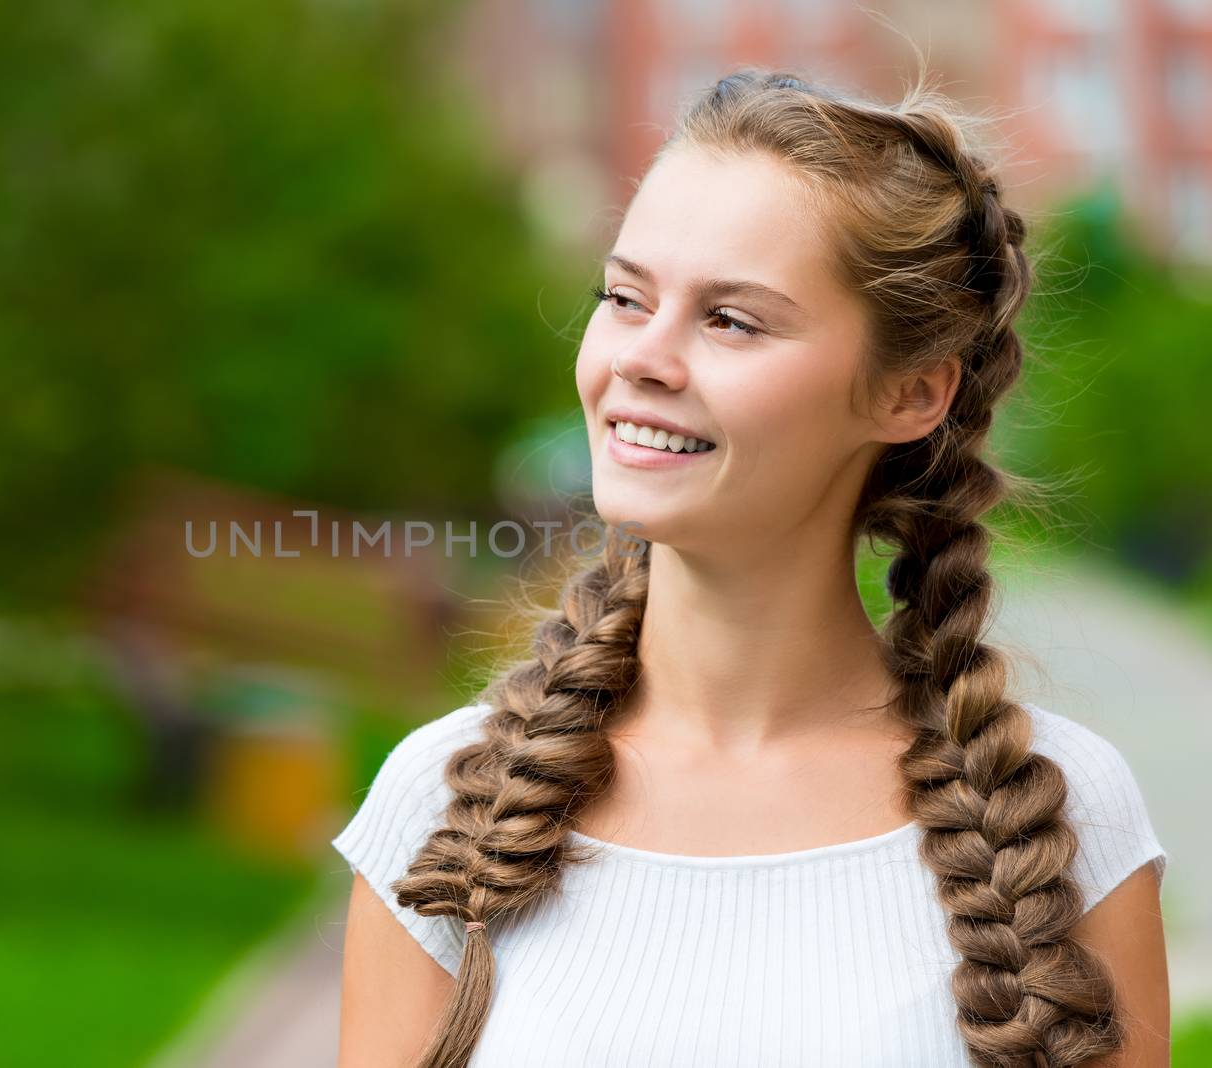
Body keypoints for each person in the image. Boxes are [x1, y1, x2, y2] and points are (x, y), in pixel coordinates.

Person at [331, 68, 1172, 1068]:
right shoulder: (441, 806)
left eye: (731, 319)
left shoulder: (1063, 817)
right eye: (624, 297)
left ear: (908, 394)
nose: (642, 357)